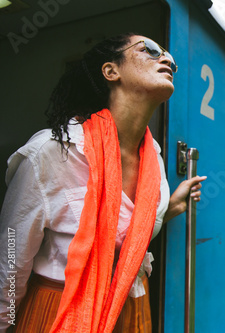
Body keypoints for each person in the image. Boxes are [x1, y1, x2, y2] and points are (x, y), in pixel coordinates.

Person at [0, 33, 206, 332]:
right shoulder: (53, 151)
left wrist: (170, 206)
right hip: (60, 309)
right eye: (148, 50)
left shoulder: (154, 160)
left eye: (170, 58)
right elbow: (9, 260)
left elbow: (130, 235)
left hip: (132, 307)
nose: (166, 60)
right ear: (111, 71)